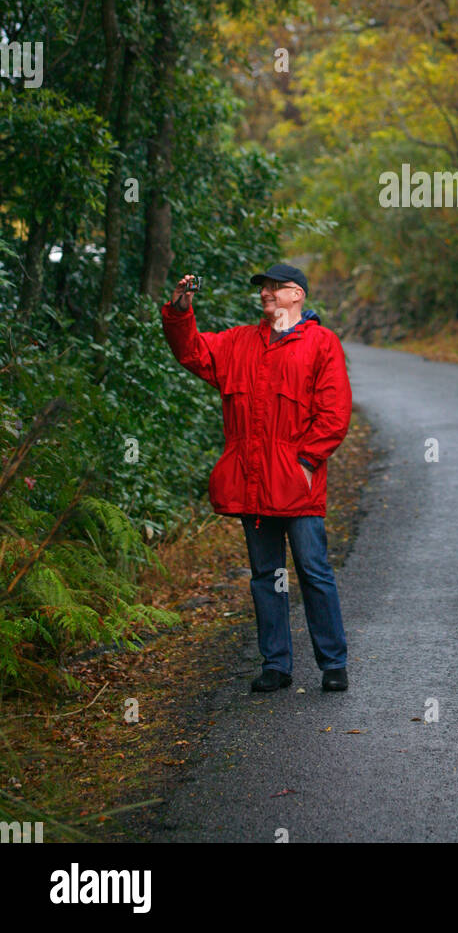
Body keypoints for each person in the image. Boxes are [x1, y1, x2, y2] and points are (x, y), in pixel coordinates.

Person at [161, 262, 353, 694]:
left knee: (313, 570)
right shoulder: (239, 343)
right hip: (252, 484)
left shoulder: (321, 344)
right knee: (266, 575)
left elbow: (334, 414)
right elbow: (192, 351)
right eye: (263, 288)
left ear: (297, 295)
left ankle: (333, 663)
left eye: (275, 287)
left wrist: (303, 464)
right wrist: (180, 310)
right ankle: (277, 665)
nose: (266, 293)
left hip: (298, 486)